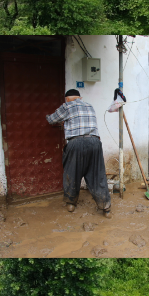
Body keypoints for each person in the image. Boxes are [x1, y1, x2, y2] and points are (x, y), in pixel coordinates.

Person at [46, 89, 112, 218]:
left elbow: (52, 120)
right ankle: (106, 207)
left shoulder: (67, 106)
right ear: (80, 98)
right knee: (97, 175)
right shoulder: (89, 106)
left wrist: (47, 117)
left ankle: (71, 203)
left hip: (76, 142)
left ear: (67, 99)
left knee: (72, 173)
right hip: (95, 142)